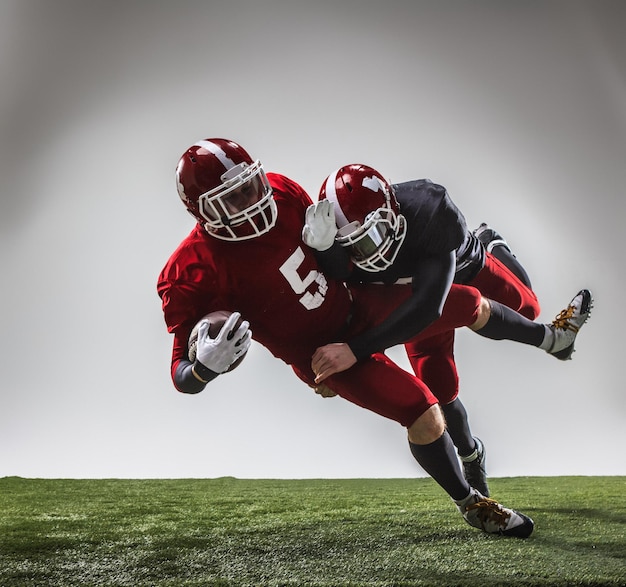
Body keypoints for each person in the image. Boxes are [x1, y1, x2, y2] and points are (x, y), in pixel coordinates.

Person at [158, 138, 537, 538]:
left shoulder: (282, 190)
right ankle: (472, 504)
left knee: (468, 302)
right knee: (424, 414)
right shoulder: (190, 270)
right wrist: (201, 369)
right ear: (201, 211)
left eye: (249, 186)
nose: (251, 201)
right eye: (231, 199)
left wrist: (331, 249)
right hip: (321, 353)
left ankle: (496, 255)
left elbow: (332, 261)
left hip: (361, 304)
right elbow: (180, 374)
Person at [302, 163, 593, 497]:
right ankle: (472, 455)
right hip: (406, 293)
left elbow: (429, 308)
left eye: (376, 235)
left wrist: (354, 352)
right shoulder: (324, 249)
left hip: (460, 268)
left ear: (392, 212)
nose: (373, 252)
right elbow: (317, 312)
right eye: (356, 246)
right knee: (440, 390)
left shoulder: (429, 211)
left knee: (528, 309)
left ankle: (492, 245)